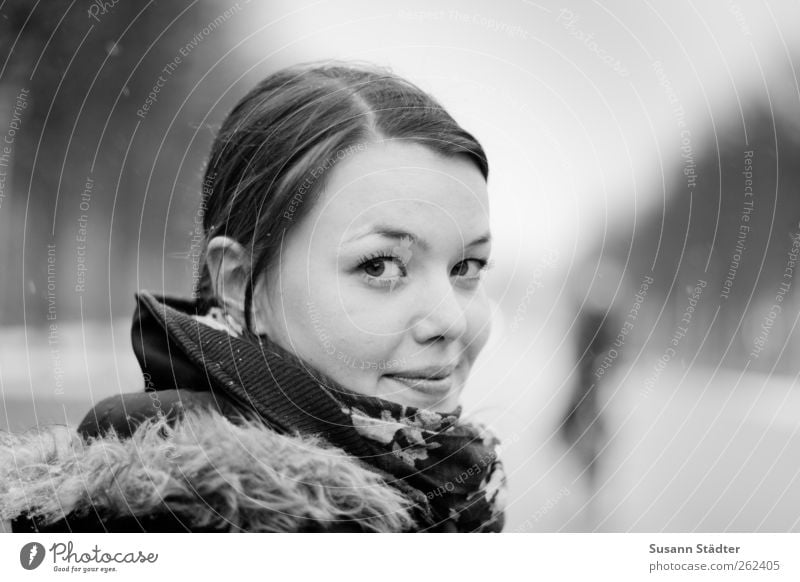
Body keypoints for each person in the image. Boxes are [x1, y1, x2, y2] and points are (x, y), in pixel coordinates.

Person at [1, 61, 506, 533]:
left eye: (466, 267)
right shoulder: (182, 514)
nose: (452, 320)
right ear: (242, 282)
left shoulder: (442, 482)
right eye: (379, 266)